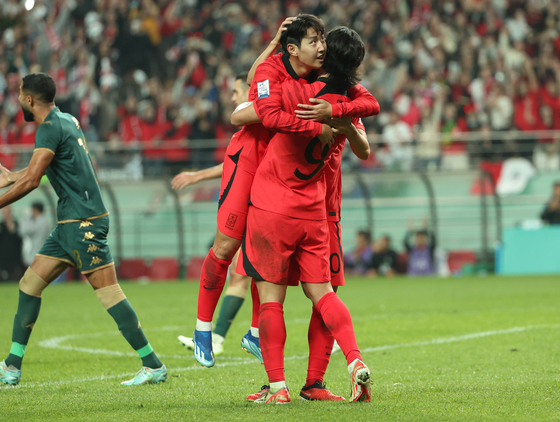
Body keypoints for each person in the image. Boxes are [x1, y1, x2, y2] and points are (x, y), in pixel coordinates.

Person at [235, 23, 375, 404]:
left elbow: (245, 111)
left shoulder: (297, 90)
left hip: (275, 204)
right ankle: (352, 359)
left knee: (270, 298)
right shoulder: (345, 95)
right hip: (316, 206)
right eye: (314, 39)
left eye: (322, 42)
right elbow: (368, 113)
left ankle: (280, 386)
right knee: (324, 293)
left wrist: (273, 78)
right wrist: (339, 115)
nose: (319, 45)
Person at [0, 73, 166, 386]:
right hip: (69, 223)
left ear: (30, 99)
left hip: (83, 222)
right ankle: (11, 366)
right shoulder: (66, 119)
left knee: (109, 294)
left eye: (21, 94)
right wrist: (12, 177)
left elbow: (35, 179)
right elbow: (46, 165)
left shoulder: (48, 128)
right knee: (28, 284)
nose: (18, 100)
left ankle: (153, 364)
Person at [173, 73, 253, 356]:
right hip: (252, 207)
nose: (232, 98)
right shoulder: (247, 130)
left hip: (254, 208)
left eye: (235, 91)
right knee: (242, 276)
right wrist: (197, 176)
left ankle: (220, 335)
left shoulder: (258, 121)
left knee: (244, 274)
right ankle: (221, 336)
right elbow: (234, 164)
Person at [19, 202, 52, 267]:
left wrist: (26, 217)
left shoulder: (40, 222)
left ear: (35, 210)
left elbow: (23, 231)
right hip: (41, 254)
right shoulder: (45, 221)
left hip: (36, 255)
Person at [0, 206, 24, 282]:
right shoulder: (1, 225)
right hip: (3, 255)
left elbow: (19, 238)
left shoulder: (16, 224)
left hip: (14, 255)